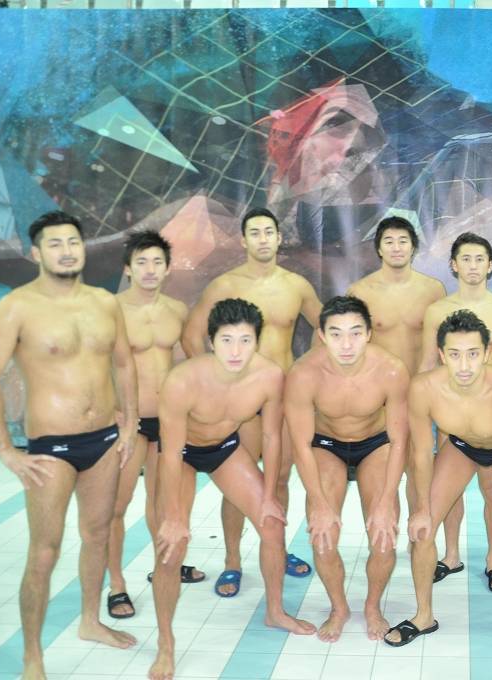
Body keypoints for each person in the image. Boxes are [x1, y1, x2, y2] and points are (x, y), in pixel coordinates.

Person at [0, 211, 139, 680]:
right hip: (51, 446)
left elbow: (124, 363)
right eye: (55, 244)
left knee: (98, 534)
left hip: (104, 439)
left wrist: (128, 425)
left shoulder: (105, 303)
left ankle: (90, 620)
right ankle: (33, 657)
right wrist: (6, 449)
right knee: (45, 551)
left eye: (73, 242)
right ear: (36, 253)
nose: (66, 251)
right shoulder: (16, 308)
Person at [150, 298, 316, 680]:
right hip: (182, 454)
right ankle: (165, 644)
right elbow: (170, 453)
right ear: (211, 341)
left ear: (258, 340)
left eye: (245, 340)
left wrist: (270, 496)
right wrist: (173, 517)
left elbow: (271, 436)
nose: (236, 351)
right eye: (227, 340)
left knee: (272, 525)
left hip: (225, 448)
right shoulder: (181, 381)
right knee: (171, 548)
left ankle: (275, 611)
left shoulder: (269, 376)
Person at [384, 310, 492, 663]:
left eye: (473, 354)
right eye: (455, 354)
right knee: (423, 530)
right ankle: (423, 616)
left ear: (487, 353)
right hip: (460, 447)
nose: (465, 365)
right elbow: (421, 453)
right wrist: (421, 508)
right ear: (442, 354)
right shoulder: (423, 388)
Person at [181, 208, 321, 595]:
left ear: (279, 238)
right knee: (240, 482)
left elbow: (326, 330)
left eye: (268, 232)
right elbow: (192, 336)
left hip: (285, 399)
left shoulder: (296, 285)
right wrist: (215, 384)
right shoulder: (225, 285)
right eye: (254, 233)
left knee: (279, 479)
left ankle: (276, 547)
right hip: (243, 404)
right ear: (243, 240)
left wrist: (306, 374)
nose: (262, 239)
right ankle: (232, 560)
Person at [284, 296, 410, 642]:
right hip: (326, 446)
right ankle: (338, 608)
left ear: (369, 333)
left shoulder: (391, 370)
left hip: (376, 445)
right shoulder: (304, 374)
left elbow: (399, 440)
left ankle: (372, 606)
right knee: (323, 539)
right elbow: (300, 444)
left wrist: (386, 499)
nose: (346, 344)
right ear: (322, 335)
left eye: (355, 333)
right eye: (336, 334)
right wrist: (319, 502)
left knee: (384, 539)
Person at [105, 231, 204, 620]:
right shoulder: (111, 310)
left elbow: (190, 363)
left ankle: (165, 565)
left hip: (166, 421)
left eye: (157, 262)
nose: (150, 269)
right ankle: (116, 585)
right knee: (117, 505)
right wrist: (112, 414)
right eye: (142, 262)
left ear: (167, 268)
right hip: (126, 421)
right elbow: (96, 364)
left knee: (163, 503)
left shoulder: (177, 310)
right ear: (128, 269)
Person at [417, 232, 492, 591]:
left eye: (480, 259)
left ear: (491, 265)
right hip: (450, 411)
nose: (473, 266)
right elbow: (427, 366)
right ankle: (450, 555)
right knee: (449, 488)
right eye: (466, 259)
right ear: (453, 265)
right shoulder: (436, 311)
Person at [347, 215, 446, 372]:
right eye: (389, 242)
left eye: (403, 241)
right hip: (379, 381)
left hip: (422, 380)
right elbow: (350, 344)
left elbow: (446, 341)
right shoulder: (359, 292)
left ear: (413, 248)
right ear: (379, 249)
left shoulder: (434, 289)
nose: (396, 248)